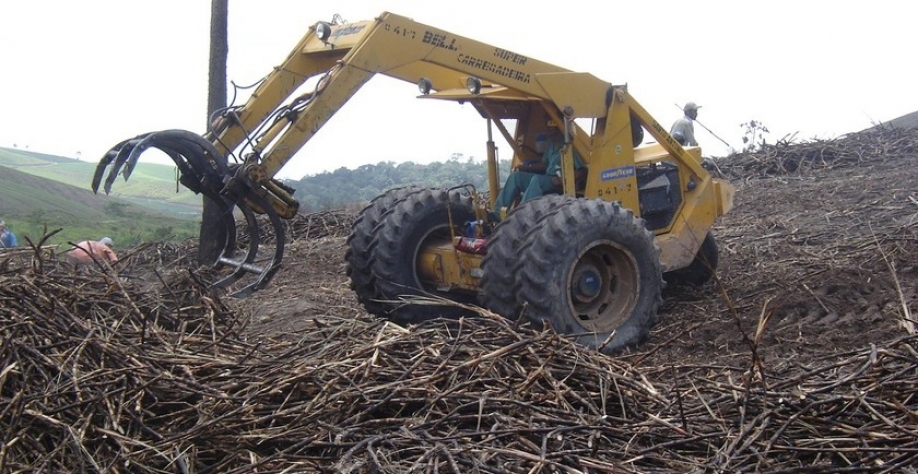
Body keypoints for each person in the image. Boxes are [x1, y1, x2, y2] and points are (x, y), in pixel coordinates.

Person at [492, 128, 585, 219]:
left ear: (557, 128)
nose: (547, 129)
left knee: (537, 180)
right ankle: (497, 213)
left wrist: (562, 180)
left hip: (558, 183)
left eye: (550, 126)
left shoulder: (568, 146)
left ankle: (520, 216)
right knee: (516, 177)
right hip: (547, 178)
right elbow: (545, 164)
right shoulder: (550, 144)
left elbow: (582, 171)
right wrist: (527, 168)